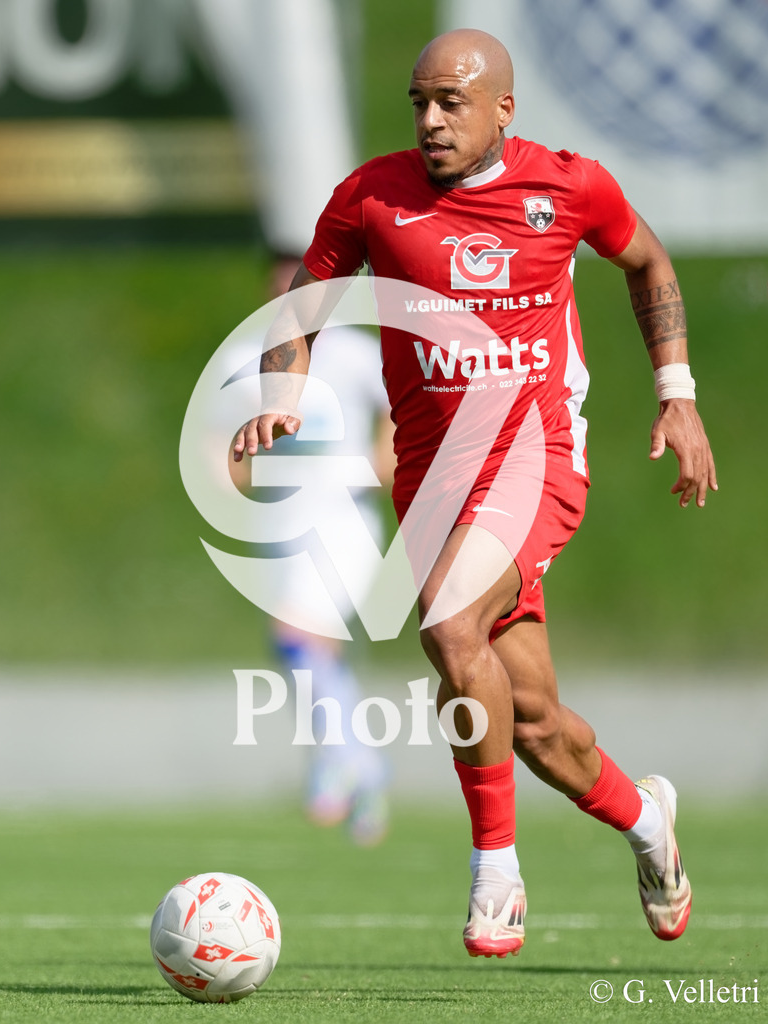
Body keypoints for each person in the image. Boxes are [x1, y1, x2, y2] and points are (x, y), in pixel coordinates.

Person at [232, 29, 718, 958]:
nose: (429, 119)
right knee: (531, 722)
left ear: (503, 108)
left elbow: (648, 263)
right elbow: (303, 302)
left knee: (450, 627)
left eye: (451, 102)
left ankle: (496, 872)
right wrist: (282, 393)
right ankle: (647, 823)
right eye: (419, 101)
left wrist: (678, 398)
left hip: (537, 460)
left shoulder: (569, 187)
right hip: (432, 483)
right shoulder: (372, 198)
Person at [225, 255, 395, 845]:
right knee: (304, 644)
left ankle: (337, 762)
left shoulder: (352, 351)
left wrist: (386, 457)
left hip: (346, 515)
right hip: (283, 521)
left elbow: (399, 408)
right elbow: (221, 434)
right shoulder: (246, 354)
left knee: (298, 635)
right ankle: (364, 768)